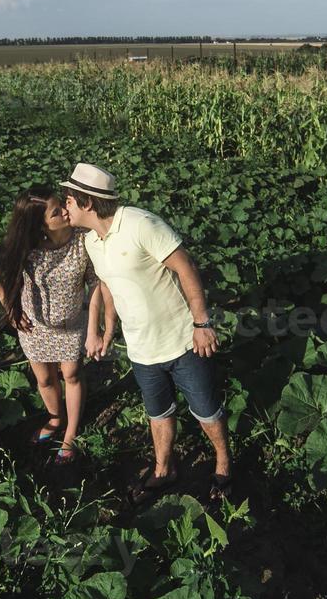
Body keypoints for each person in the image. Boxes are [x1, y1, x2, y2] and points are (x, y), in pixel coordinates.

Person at [59, 163, 234, 505]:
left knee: (206, 410)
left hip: (182, 341)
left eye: (69, 200)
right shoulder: (93, 242)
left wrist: (201, 324)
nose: (65, 207)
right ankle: (163, 468)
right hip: (141, 348)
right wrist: (107, 331)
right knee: (158, 412)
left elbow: (186, 267)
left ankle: (224, 465)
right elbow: (108, 287)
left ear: (88, 203)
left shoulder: (141, 223)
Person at [0, 186, 116, 465]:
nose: (66, 211)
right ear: (40, 223)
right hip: (34, 328)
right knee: (43, 379)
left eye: (62, 205)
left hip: (72, 324)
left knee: (72, 375)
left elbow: (97, 284)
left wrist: (94, 328)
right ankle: (55, 419)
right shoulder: (27, 247)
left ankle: (71, 434)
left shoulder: (82, 241)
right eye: (57, 212)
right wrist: (10, 310)